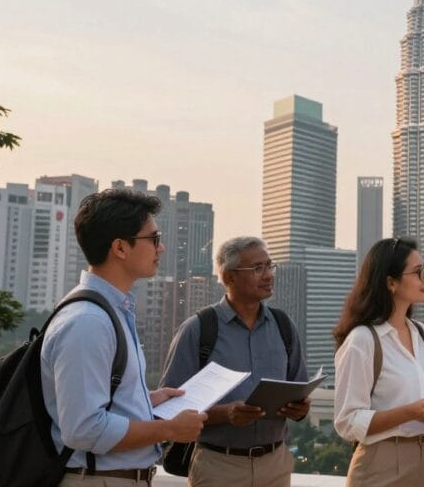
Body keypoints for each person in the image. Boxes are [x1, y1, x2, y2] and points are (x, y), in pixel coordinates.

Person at [41, 189, 206, 486]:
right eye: (153, 239)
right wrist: (169, 429)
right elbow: (84, 429)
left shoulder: (111, 312)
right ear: (120, 248)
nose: (161, 248)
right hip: (97, 480)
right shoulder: (87, 323)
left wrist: (147, 401)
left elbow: (99, 403)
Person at [161, 236, 309, 487]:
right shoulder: (199, 329)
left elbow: (300, 387)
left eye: (270, 266)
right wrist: (225, 414)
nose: (268, 275)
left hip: (275, 465)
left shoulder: (283, 326)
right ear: (229, 277)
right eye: (257, 268)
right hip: (219, 465)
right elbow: (170, 408)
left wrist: (300, 408)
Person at [334, 237, 424, 487]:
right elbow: (348, 422)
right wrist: (409, 413)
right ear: (391, 282)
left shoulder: (420, 333)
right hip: (382, 461)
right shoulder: (363, 340)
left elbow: (422, 396)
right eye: (418, 271)